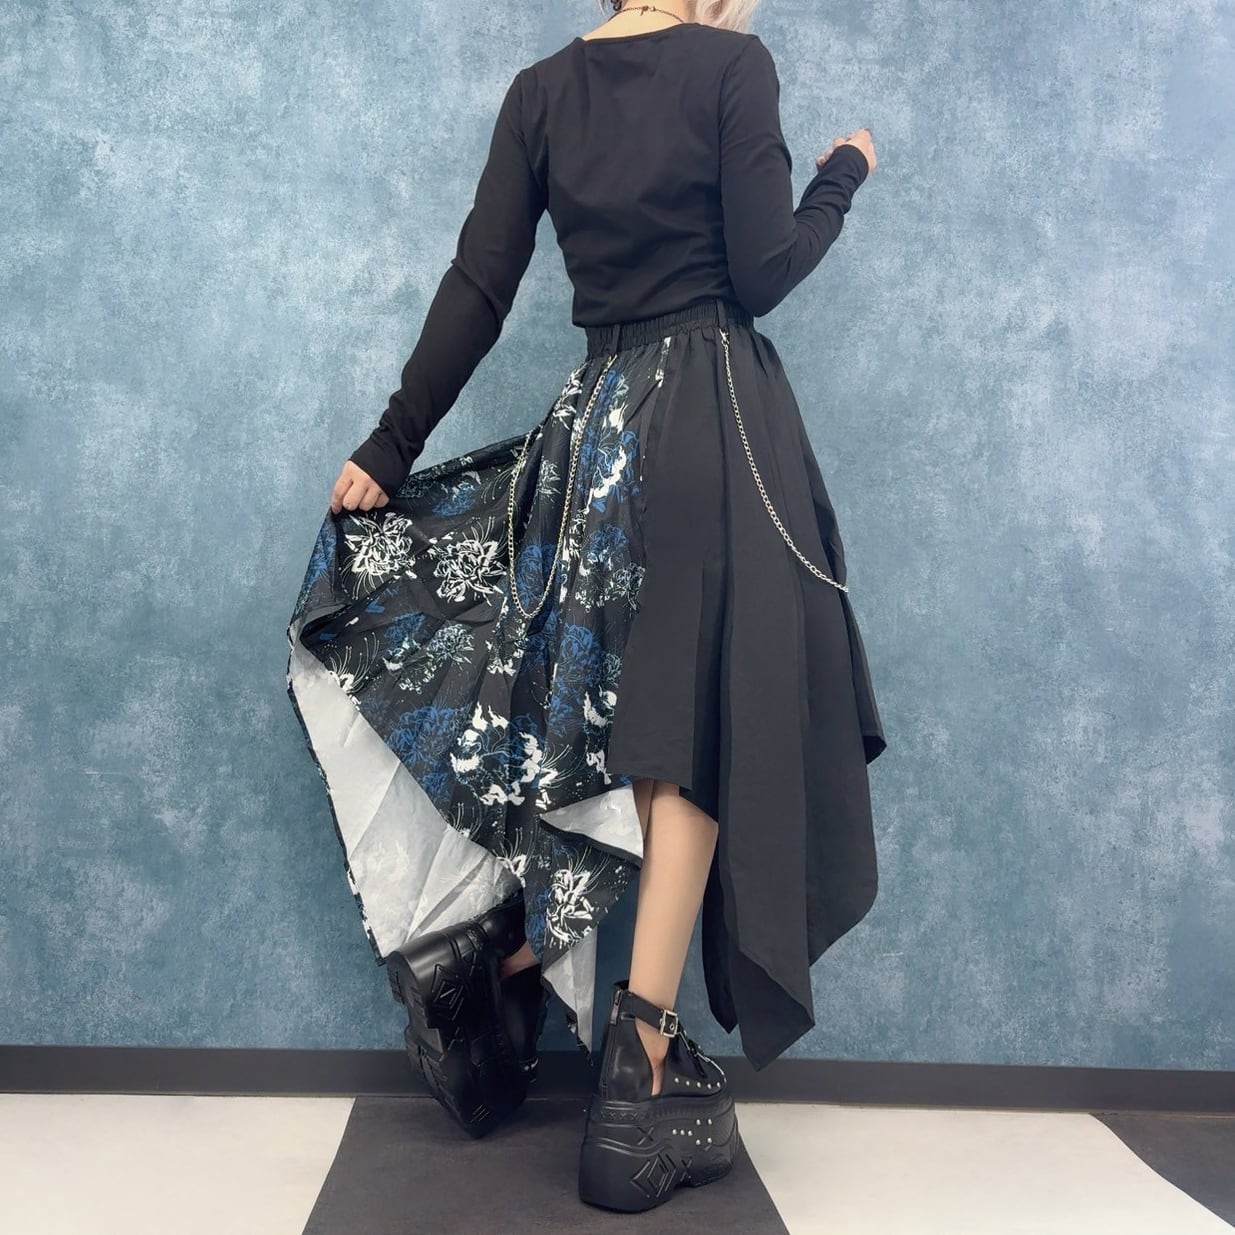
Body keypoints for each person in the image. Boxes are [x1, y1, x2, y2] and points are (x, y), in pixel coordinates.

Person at [285, 0, 885, 1214]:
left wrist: (390, 445)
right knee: (690, 740)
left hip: (599, 431)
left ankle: (502, 966)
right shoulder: (732, 65)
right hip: (712, 420)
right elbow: (761, 273)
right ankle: (636, 1073)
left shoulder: (540, 91)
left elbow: (479, 284)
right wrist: (840, 178)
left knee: (615, 734)